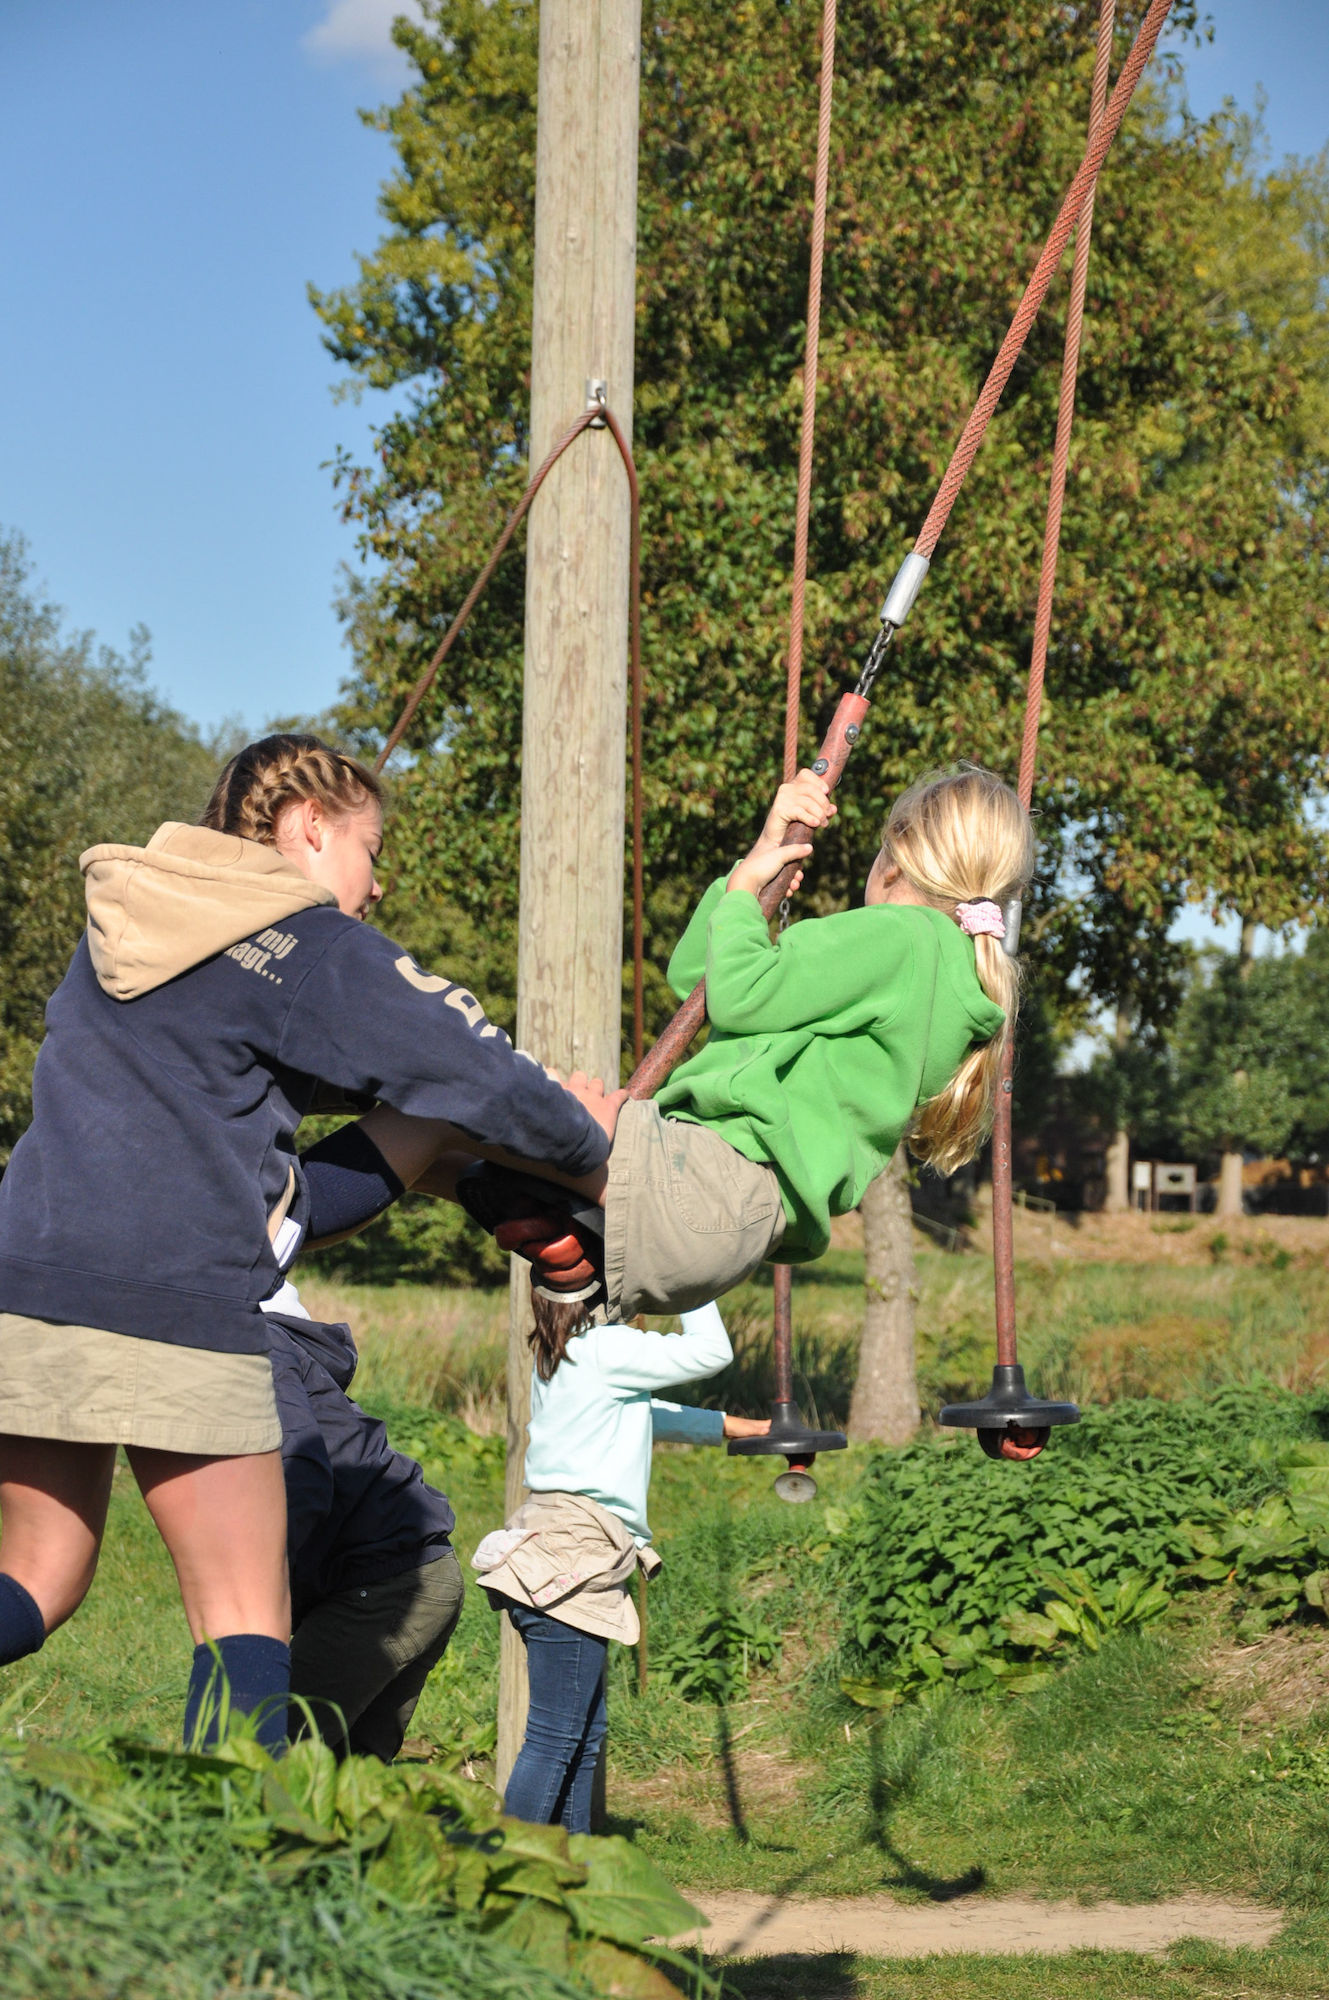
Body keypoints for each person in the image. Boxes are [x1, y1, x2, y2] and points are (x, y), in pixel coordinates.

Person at [0, 734, 615, 1751]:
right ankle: (230, 1877)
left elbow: (290, 1198)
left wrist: (428, 1139)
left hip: (26, 1278)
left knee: (36, 1576)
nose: (370, 889)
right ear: (310, 828)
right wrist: (596, 1161)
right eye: (369, 853)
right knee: (243, 1609)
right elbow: (481, 1069)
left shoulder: (124, 931)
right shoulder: (302, 940)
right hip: (177, 1300)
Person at [401, 762, 1032, 1324]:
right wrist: (759, 864)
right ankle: (552, 1235)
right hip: (729, 1232)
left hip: (704, 1177)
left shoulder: (900, 935)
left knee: (456, 1101)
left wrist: (740, 896)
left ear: (894, 860)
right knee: (446, 1152)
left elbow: (737, 994)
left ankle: (310, 1200)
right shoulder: (948, 983)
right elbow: (697, 984)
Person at [471, 1301, 767, 1831]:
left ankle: (571, 1871)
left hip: (559, 1542)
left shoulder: (566, 1346)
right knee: (558, 1734)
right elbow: (713, 1351)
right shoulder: (607, 1347)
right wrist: (691, 1283)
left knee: (582, 1732)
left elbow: (638, 1413)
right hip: (575, 1553)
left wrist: (734, 1427)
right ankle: (512, 1877)